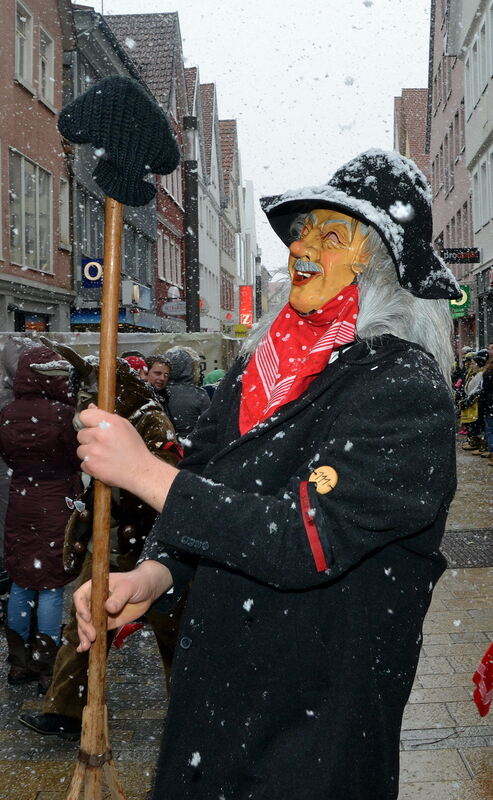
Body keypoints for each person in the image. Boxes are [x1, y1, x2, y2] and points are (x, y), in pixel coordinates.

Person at [74, 149, 459, 800]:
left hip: (314, 731)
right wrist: (156, 572)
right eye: (301, 230)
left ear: (384, 268)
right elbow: (204, 482)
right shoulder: (260, 370)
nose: (302, 246)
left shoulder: (404, 389)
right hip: (209, 706)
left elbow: (305, 538)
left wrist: (142, 473)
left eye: (330, 234)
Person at [18, 352, 186, 740]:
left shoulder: (149, 418)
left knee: (172, 631)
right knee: (86, 626)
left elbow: (163, 480)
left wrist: (124, 483)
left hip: (150, 542)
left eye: (92, 395)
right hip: (107, 539)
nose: (84, 404)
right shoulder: (109, 419)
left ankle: (188, 713)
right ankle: (65, 709)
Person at [0, 344, 81, 693]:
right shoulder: (65, 414)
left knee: (21, 579)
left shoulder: (7, 413)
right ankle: (46, 661)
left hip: (20, 500)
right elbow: (77, 456)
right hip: (55, 501)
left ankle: (18, 661)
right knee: (50, 582)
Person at [164, 347, 210, 438]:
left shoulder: (157, 392)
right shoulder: (199, 394)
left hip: (165, 446)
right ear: (189, 368)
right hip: (192, 446)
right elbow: (208, 426)